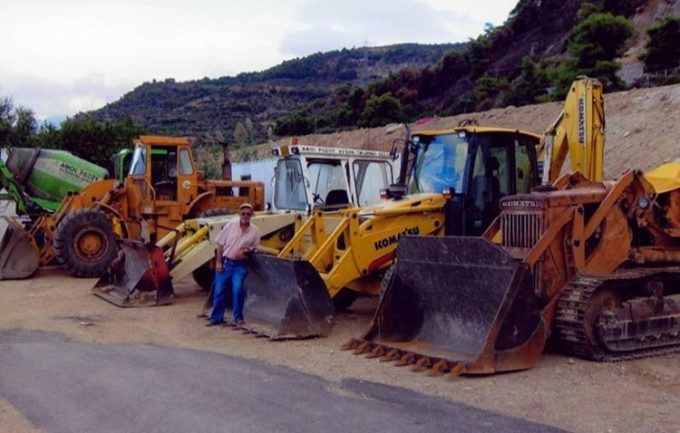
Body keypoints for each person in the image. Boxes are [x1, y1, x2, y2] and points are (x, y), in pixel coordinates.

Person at [206, 203, 260, 326]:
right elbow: (220, 243)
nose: (245, 216)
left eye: (248, 214)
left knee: (237, 288)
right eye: (243, 213)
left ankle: (238, 318)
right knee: (219, 290)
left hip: (240, 265)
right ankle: (216, 318)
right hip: (225, 262)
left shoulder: (255, 231)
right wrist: (218, 262)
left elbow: (254, 249)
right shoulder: (231, 225)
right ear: (239, 214)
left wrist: (245, 254)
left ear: (251, 215)